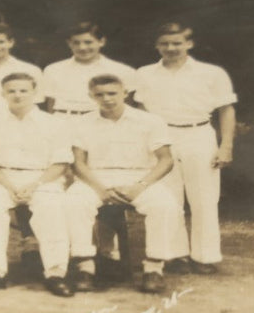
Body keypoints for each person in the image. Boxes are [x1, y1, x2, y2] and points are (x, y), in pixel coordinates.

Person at [133, 21, 237, 274]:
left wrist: (226, 146)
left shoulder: (212, 73)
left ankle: (205, 257)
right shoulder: (145, 73)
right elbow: (141, 110)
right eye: (165, 43)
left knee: (204, 198)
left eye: (177, 42)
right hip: (161, 138)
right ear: (157, 45)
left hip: (198, 134)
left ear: (189, 44)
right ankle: (173, 254)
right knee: (168, 198)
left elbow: (226, 109)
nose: (171, 48)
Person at [64, 74, 184, 294]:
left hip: (139, 178)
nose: (107, 99)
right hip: (95, 178)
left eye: (112, 93)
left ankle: (154, 268)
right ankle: (85, 266)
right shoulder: (80, 123)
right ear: (91, 96)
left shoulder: (150, 121)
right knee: (73, 203)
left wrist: (139, 186)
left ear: (125, 94)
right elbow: (78, 163)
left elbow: (166, 160)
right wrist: (100, 189)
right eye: (100, 94)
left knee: (165, 205)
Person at [0, 73, 75, 297]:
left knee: (52, 209)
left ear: (35, 93)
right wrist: (10, 187)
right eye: (11, 91)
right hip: (2, 179)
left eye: (23, 90)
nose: (17, 95)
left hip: (44, 179)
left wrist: (34, 185)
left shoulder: (55, 123)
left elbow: (61, 163)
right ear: (3, 94)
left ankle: (56, 273)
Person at [41, 21, 137, 117]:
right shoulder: (53, 69)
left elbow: (127, 105)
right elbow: (50, 103)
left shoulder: (122, 71)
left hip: (101, 121)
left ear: (101, 42)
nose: (82, 47)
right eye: (76, 43)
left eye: (88, 42)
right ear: (69, 43)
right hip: (63, 120)